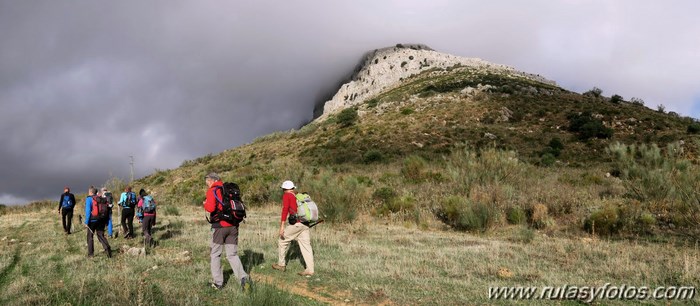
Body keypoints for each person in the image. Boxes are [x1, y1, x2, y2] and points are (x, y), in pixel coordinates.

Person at [203, 172, 249, 291]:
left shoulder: (213, 190)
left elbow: (211, 208)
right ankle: (243, 278)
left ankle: (218, 283)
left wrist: (205, 204)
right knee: (232, 254)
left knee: (215, 254)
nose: (207, 184)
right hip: (233, 226)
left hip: (220, 227)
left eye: (207, 181)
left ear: (212, 180)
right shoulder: (228, 189)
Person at [272, 180, 314, 276]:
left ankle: (281, 265)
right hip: (305, 223)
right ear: (293, 188)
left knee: (282, 240)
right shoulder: (298, 195)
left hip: (297, 224)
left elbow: (285, 209)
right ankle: (310, 270)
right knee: (306, 246)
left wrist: (282, 226)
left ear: (284, 189)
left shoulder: (287, 195)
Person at [84, 187, 112, 258]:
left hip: (92, 221)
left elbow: (88, 211)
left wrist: (86, 222)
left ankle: (91, 254)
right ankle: (107, 248)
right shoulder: (100, 198)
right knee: (100, 235)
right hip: (101, 220)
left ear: (90, 192)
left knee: (90, 236)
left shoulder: (89, 199)